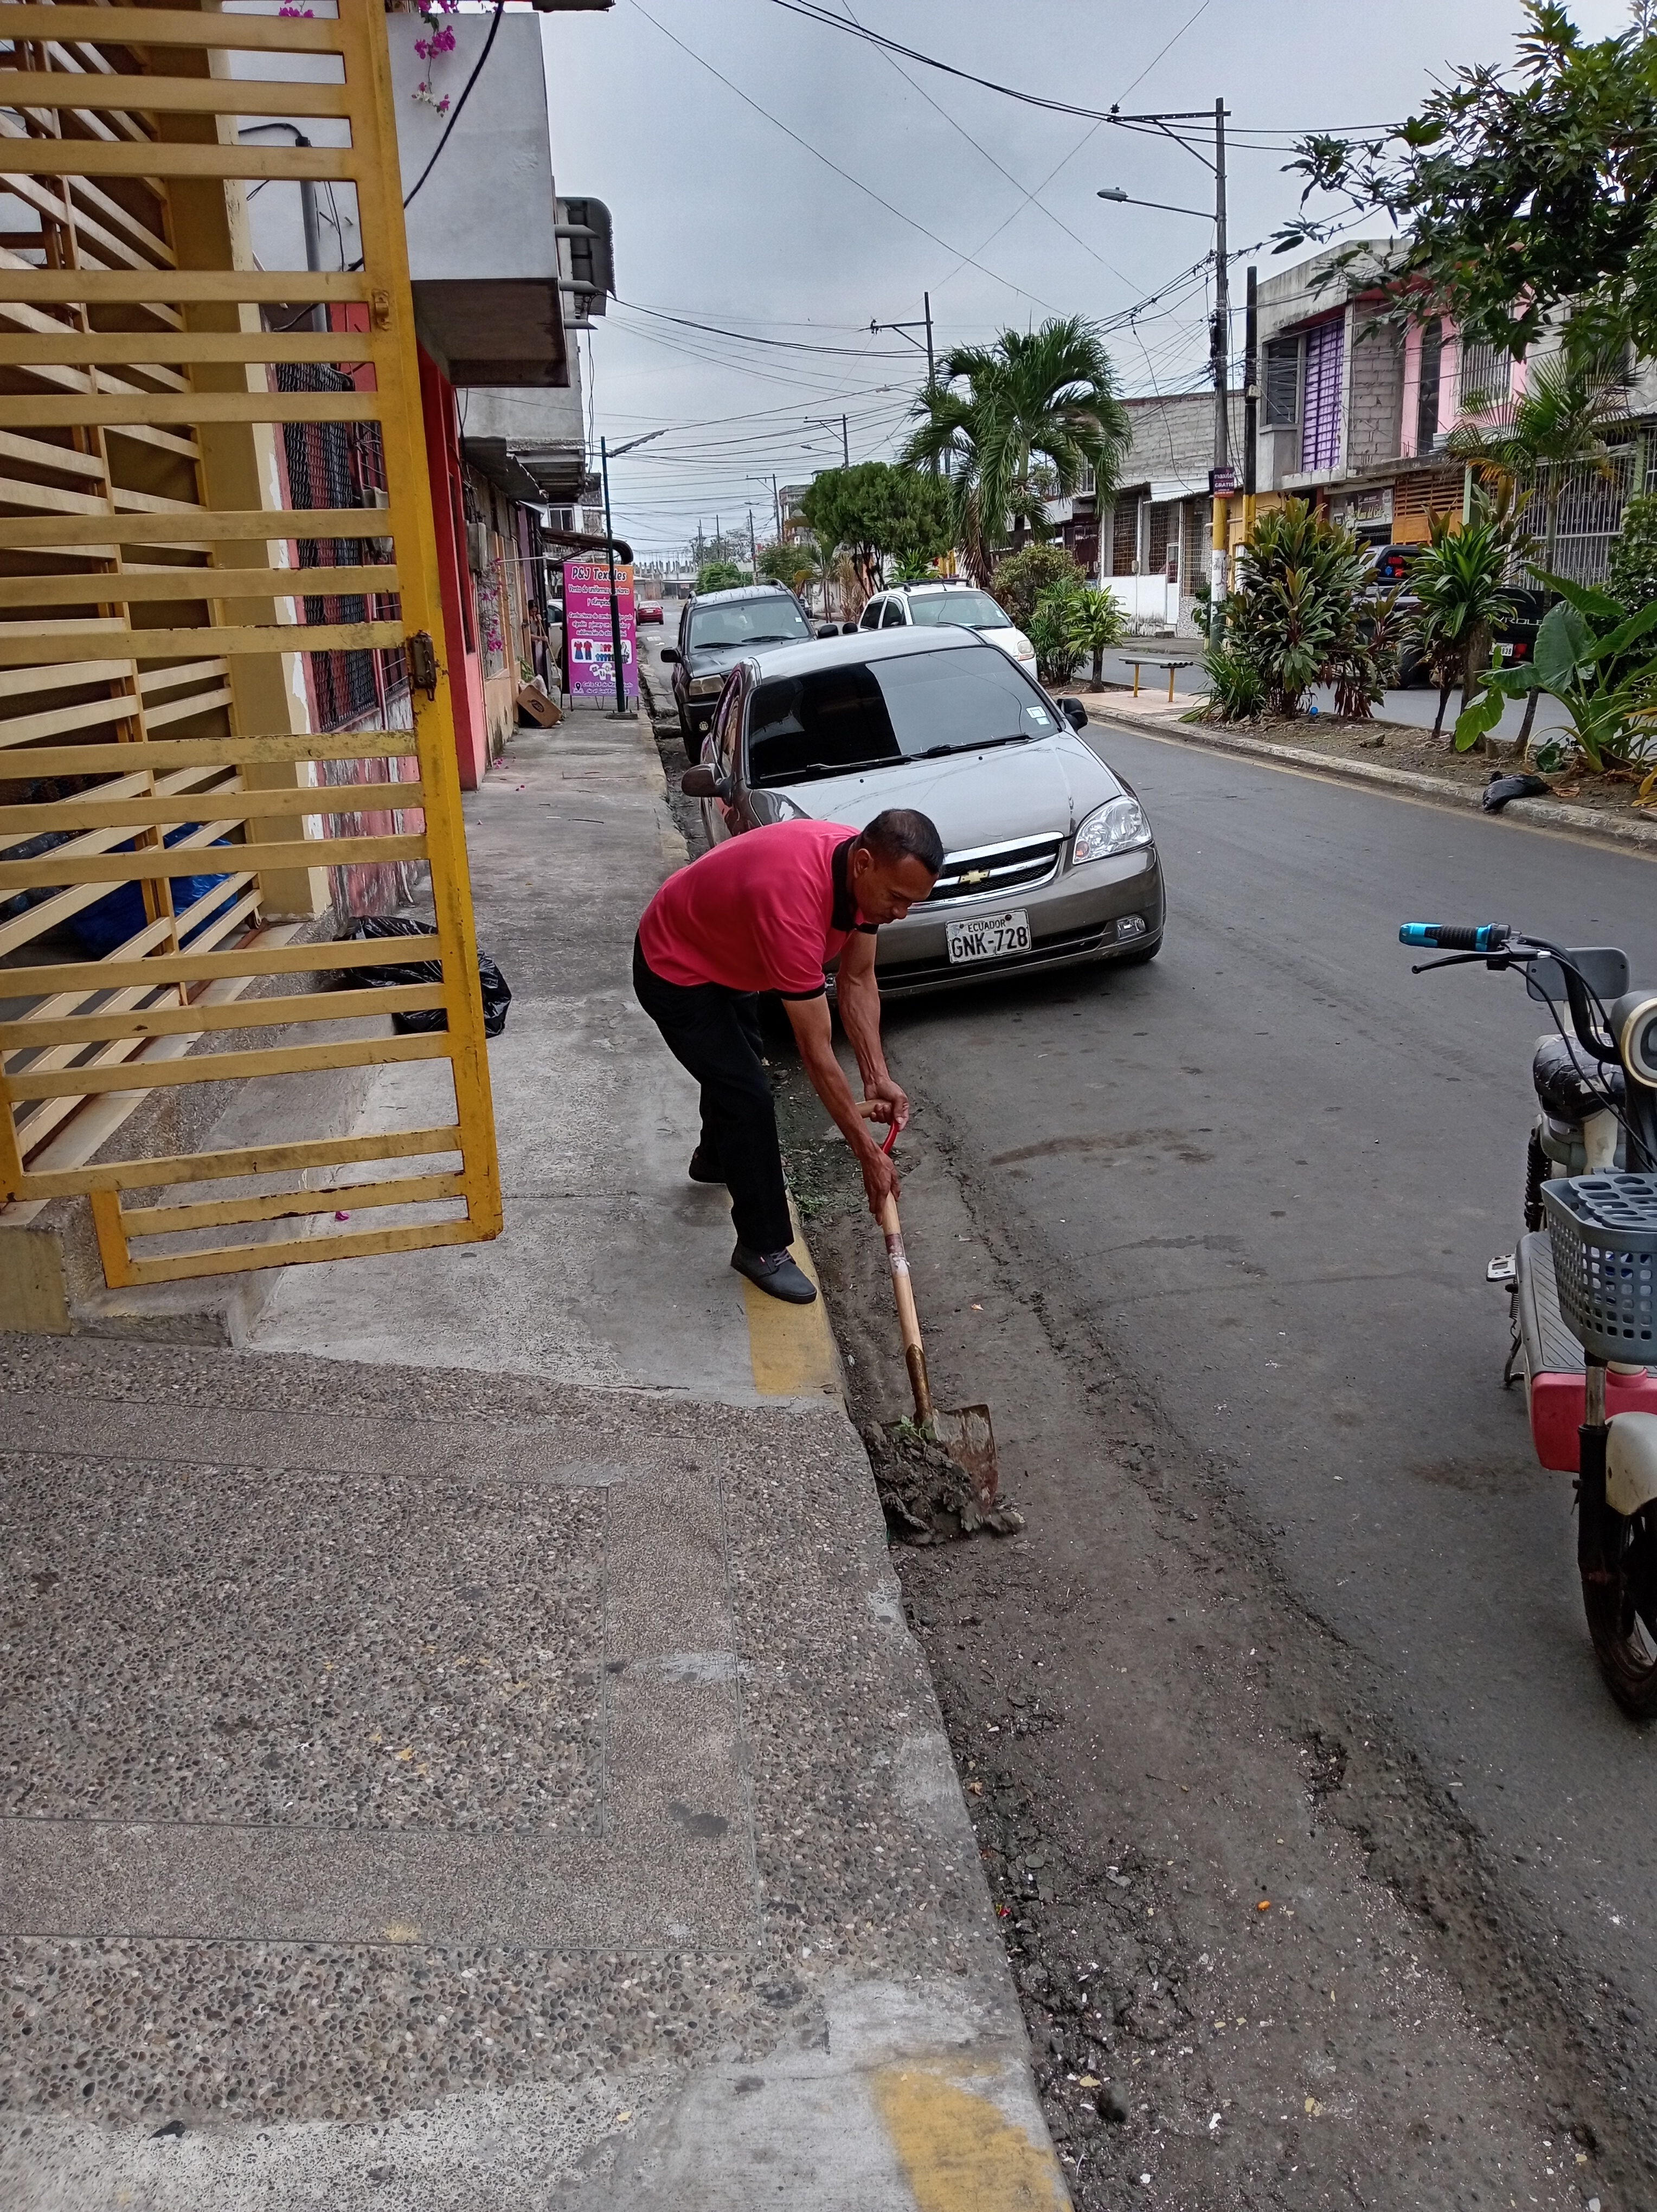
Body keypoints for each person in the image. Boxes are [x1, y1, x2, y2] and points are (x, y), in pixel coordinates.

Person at [633, 808, 943, 1302]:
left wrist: (876, 1076)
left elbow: (858, 977)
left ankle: (715, 1158)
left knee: (740, 1058)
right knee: (747, 1095)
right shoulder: (793, 907)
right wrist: (867, 1154)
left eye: (911, 901)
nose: (901, 913)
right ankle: (761, 1247)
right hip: (675, 965)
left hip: (728, 949)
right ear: (863, 864)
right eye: (897, 899)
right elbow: (816, 1052)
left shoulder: (864, 870)